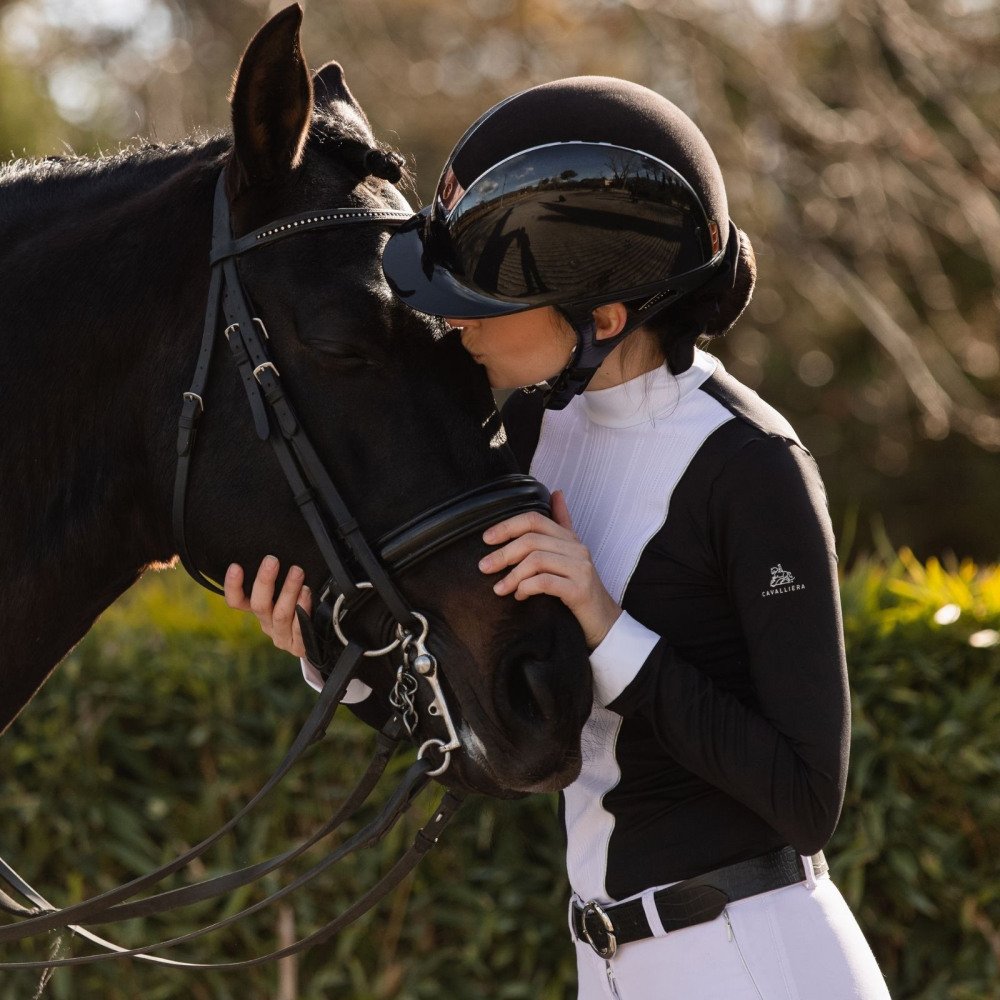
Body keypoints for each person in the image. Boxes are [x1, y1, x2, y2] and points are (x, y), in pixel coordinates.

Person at [225, 77, 891, 999]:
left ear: (603, 319)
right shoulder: (535, 432)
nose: (450, 320)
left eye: (479, 298)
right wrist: (326, 652)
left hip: (752, 956)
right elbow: (499, 731)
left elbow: (808, 799)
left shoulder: (754, 468)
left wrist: (602, 621)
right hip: (607, 961)